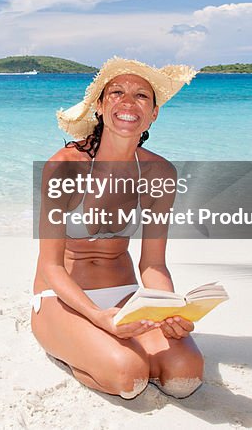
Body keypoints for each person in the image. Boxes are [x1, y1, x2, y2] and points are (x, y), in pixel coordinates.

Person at [31, 57, 203, 400]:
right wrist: (99, 317)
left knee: (185, 374)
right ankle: (71, 345)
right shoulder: (64, 168)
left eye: (142, 95)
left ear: (154, 113)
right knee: (130, 377)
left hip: (127, 295)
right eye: (117, 92)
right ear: (99, 105)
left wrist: (168, 307)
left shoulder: (160, 174)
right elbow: (50, 266)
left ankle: (104, 347)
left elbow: (152, 264)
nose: (128, 102)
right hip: (62, 299)